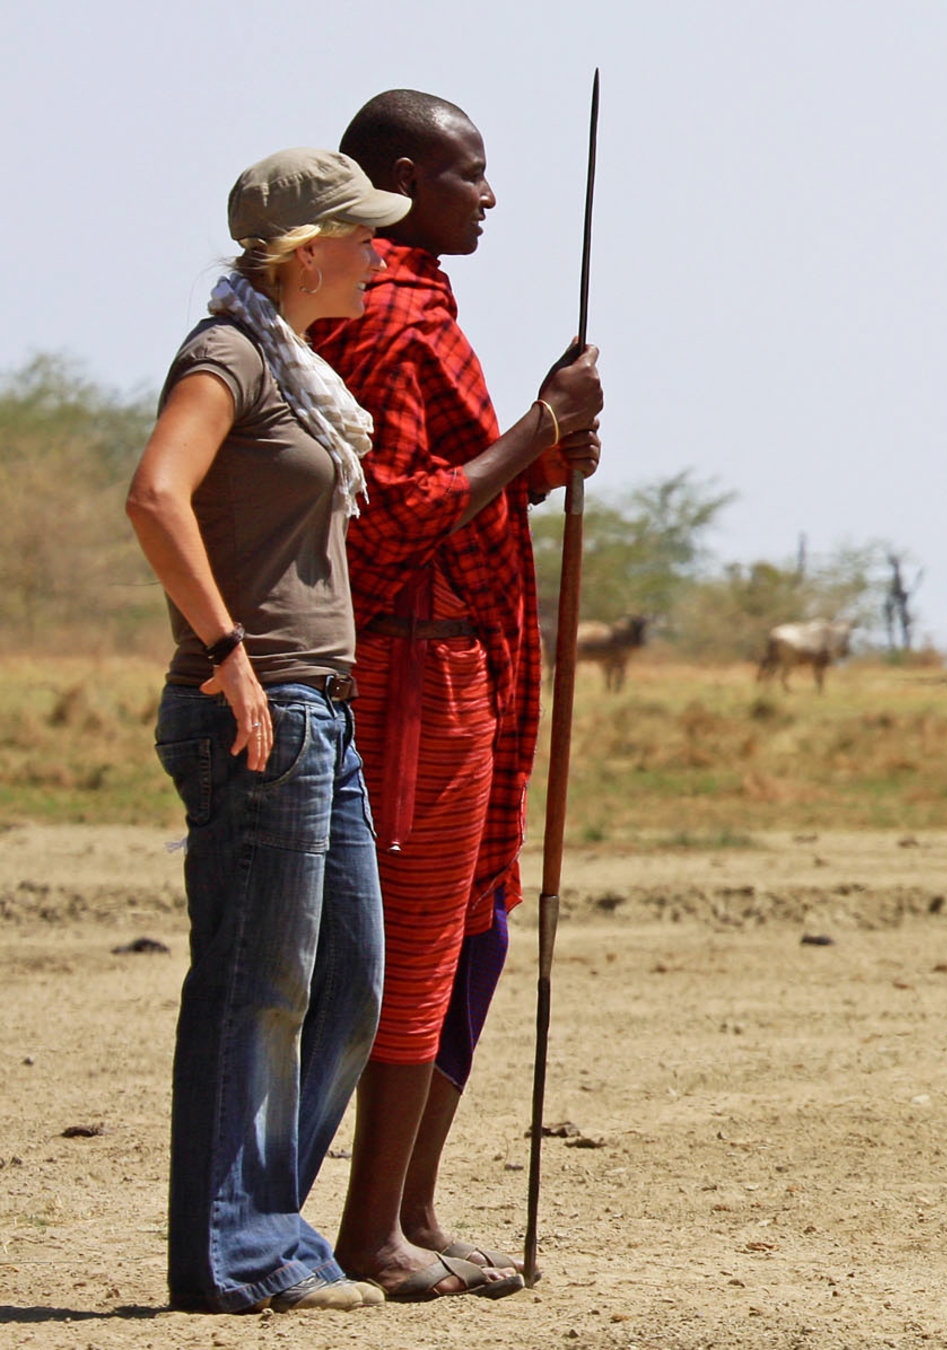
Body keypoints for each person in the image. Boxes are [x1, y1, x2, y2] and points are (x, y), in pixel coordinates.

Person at [310, 89, 603, 1301]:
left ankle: (412, 1207)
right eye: (466, 173)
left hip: (467, 662)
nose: (488, 195)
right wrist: (538, 427)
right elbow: (393, 517)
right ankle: (368, 1229)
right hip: (412, 672)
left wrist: (541, 456)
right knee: (423, 936)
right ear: (398, 177)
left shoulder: (422, 304)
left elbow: (456, 485)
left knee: (473, 926)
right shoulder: (381, 311)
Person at [125, 148, 412, 1314]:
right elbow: (156, 494)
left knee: (349, 978)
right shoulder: (229, 355)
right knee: (261, 980)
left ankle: (261, 1226)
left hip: (315, 712)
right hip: (258, 707)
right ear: (307, 251)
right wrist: (229, 651)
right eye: (363, 235)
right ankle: (238, 1252)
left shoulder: (297, 368)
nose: (379, 254)